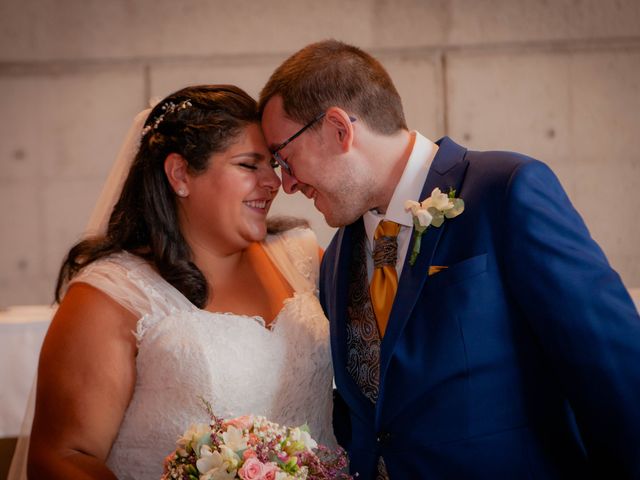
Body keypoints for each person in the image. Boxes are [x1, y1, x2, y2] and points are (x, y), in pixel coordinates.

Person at [258, 40, 640, 479]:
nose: (285, 184)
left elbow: (615, 373)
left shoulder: (505, 191)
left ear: (339, 129)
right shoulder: (336, 259)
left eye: (284, 158)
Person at [21, 85, 335, 479]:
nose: (273, 182)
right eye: (248, 165)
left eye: (271, 164)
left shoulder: (302, 256)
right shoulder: (111, 296)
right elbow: (61, 458)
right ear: (180, 174)